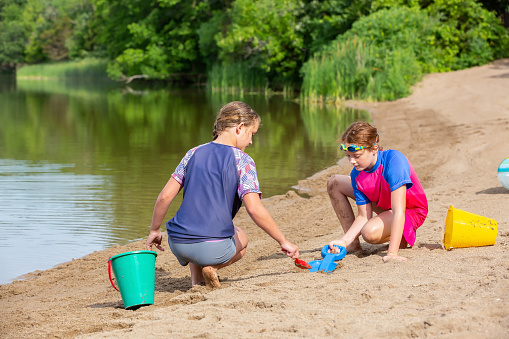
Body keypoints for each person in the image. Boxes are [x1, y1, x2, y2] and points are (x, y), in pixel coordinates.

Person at [146, 101, 300, 288]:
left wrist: (155, 230)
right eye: (252, 134)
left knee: (198, 223)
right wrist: (283, 241)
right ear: (240, 128)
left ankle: (197, 282)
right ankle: (213, 267)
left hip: (177, 243)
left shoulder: (192, 153)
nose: (251, 141)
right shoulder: (243, 161)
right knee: (241, 237)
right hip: (212, 248)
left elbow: (164, 197)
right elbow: (254, 209)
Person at [327, 121, 428, 262]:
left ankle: (402, 236)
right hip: (386, 205)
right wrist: (344, 241)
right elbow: (363, 216)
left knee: (369, 233)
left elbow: (399, 211)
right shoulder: (357, 173)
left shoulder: (394, 161)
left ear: (374, 148)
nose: (351, 161)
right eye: (348, 156)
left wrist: (392, 253)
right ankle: (353, 246)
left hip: (409, 211)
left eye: (357, 156)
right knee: (334, 182)